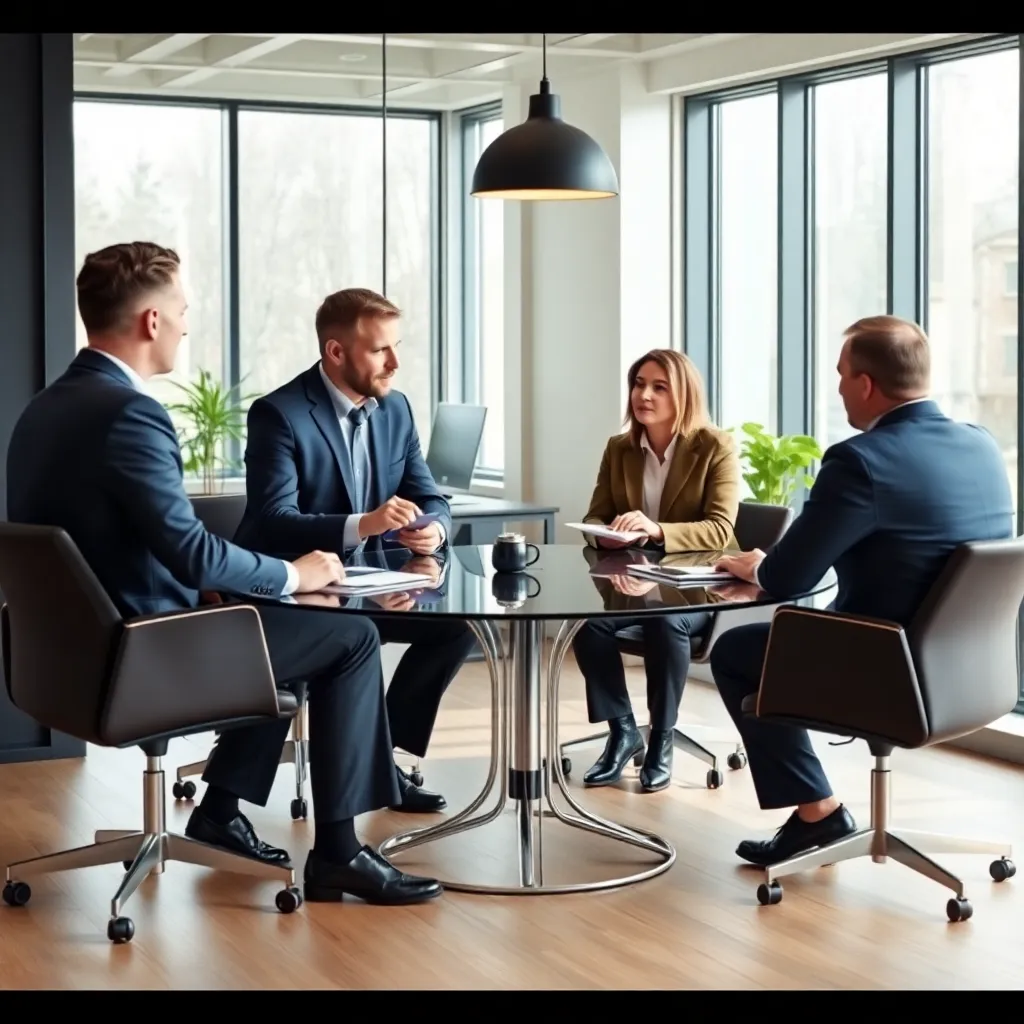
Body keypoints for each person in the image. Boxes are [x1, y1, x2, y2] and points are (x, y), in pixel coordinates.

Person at [5, 242, 441, 906]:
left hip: (63, 659)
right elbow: (191, 551)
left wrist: (241, 581)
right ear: (152, 321)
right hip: (140, 657)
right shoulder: (132, 412)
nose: (186, 321)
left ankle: (220, 813)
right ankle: (339, 854)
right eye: (181, 309)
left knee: (269, 624)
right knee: (345, 641)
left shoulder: (43, 409)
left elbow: (129, 543)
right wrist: (291, 574)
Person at [712, 314, 1015, 867]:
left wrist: (758, 564)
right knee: (775, 642)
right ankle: (818, 812)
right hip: (973, 674)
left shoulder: (860, 461)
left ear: (866, 385)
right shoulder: (982, 445)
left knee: (735, 651)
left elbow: (788, 579)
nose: (838, 387)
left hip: (885, 670)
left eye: (841, 374)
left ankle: (817, 813)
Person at [234, 288, 477, 813]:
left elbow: (430, 493)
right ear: (336, 352)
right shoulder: (279, 413)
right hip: (291, 591)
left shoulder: (395, 409)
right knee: (354, 638)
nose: (395, 362)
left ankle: (381, 756)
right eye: (379, 350)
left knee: (455, 628)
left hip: (370, 588)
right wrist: (362, 524)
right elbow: (274, 520)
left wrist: (433, 528)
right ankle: (228, 806)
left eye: (396, 346)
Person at [571, 349, 741, 791]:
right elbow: (594, 517)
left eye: (658, 386)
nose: (643, 394)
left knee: (666, 624)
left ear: (683, 394)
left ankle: (661, 738)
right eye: (639, 383)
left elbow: (720, 529)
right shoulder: (619, 448)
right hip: (635, 582)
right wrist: (605, 535)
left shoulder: (714, 447)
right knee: (590, 628)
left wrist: (658, 530)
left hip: (700, 587)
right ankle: (623, 731)